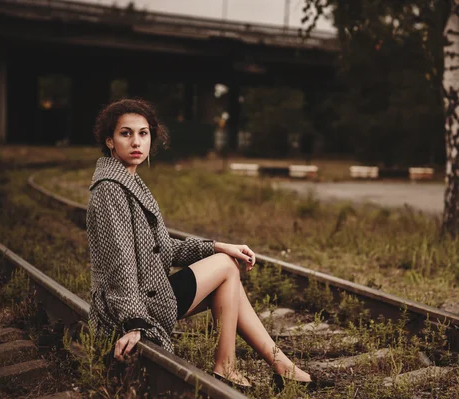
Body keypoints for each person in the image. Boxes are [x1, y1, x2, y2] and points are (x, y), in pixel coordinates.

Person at [86, 98, 327, 390]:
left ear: (152, 138)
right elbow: (119, 263)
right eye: (126, 134)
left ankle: (277, 367)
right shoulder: (111, 189)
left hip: (148, 295)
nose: (136, 141)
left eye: (143, 133)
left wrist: (217, 246)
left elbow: (162, 248)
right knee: (227, 270)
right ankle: (243, 367)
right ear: (110, 141)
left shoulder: (129, 181)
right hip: (130, 309)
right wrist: (134, 323)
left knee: (228, 275)